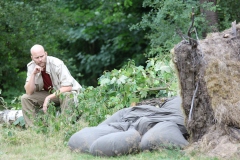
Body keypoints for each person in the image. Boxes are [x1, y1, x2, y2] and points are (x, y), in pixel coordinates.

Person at [21, 44, 82, 127]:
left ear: (46, 54)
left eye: (42, 56)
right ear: (32, 58)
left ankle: (65, 127)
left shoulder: (57, 63)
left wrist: (48, 98)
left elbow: (68, 87)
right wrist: (33, 74)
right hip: (50, 94)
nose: (40, 60)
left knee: (67, 95)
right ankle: (34, 130)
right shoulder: (31, 66)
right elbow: (29, 91)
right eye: (37, 58)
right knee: (25, 98)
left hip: (66, 93)